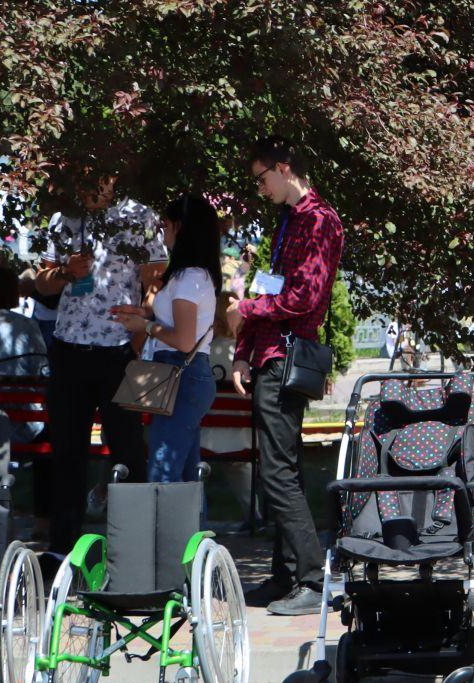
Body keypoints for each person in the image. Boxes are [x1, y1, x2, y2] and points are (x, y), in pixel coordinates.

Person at [229, 138, 345, 616]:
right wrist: (241, 352)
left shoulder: (319, 221)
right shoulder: (289, 221)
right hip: (270, 355)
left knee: (278, 472)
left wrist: (246, 310)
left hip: (288, 357)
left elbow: (302, 299)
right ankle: (286, 574)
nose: (260, 188)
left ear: (283, 168)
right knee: (277, 468)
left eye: (262, 178)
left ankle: (314, 578)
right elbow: (271, 290)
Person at [32, 178, 165, 553]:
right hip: (68, 347)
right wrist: (64, 273)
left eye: (96, 175)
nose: (88, 184)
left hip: (121, 350)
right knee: (67, 451)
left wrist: (142, 325)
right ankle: (64, 548)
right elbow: (41, 283)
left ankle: (136, 550)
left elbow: (156, 279)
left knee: (128, 449)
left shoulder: (139, 216)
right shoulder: (62, 219)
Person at [115, 194, 222, 497]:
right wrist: (144, 314)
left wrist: (145, 326)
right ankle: (193, 540)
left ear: (181, 227)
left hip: (183, 374)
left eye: (166, 226)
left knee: (163, 470)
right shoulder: (187, 275)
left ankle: (169, 541)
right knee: (185, 474)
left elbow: (184, 339)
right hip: (177, 373)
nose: (163, 234)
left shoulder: (191, 277)